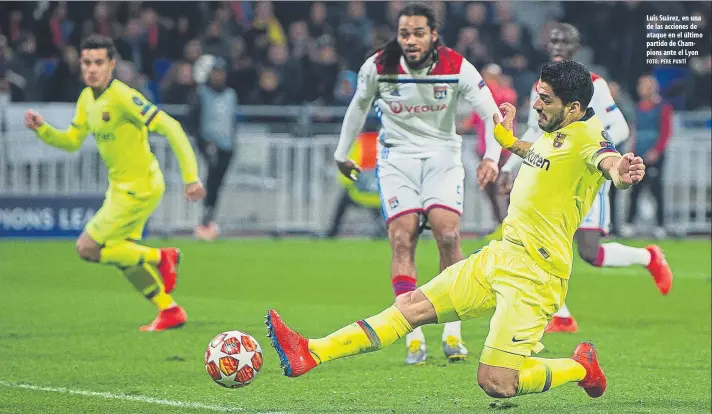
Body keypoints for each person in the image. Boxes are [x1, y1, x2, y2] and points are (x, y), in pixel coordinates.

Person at [266, 60, 648, 401]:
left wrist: (623, 173)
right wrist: (510, 142)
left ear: (574, 108)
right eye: (538, 95)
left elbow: (607, 162)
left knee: (497, 383)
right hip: (502, 255)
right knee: (409, 306)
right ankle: (310, 352)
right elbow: (545, 155)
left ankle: (581, 366)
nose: (536, 105)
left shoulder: (590, 138)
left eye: (545, 100)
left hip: (536, 276)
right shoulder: (560, 131)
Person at [330, 3, 502, 364]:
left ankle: (452, 334)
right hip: (397, 160)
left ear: (433, 35)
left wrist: (491, 158)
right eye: (405, 33)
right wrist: (342, 152)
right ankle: (412, 333)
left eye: (418, 33)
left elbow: (490, 112)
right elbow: (357, 107)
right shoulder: (378, 66)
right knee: (401, 237)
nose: (410, 40)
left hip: (442, 157)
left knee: (449, 235)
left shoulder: (456, 66)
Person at [24, 35, 206, 332]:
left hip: (139, 187)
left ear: (111, 65)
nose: (92, 69)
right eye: (87, 63)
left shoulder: (123, 96)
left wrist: (191, 177)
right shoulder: (86, 98)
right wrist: (43, 129)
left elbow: (171, 126)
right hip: (120, 189)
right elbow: (72, 141)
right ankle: (169, 309)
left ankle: (162, 256)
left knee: (87, 248)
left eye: (98, 63)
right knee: (123, 255)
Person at [498, 23, 672, 333]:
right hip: (552, 178)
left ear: (576, 48)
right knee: (546, 242)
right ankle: (560, 315)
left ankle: (648, 257)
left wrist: (595, 153)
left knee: (590, 252)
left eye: (565, 40)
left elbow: (618, 128)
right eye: (553, 39)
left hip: (587, 178)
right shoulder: (539, 85)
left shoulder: (593, 84)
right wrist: (509, 168)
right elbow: (532, 131)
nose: (558, 44)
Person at [457, 63, 517, 241]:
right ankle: (501, 224)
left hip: (503, 151)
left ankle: (511, 224)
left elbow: (505, 101)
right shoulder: (485, 99)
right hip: (483, 152)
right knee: (489, 190)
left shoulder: (503, 94)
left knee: (502, 189)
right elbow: (472, 120)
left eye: (488, 76)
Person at [191, 58, 238, 241]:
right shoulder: (201, 93)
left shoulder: (231, 94)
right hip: (208, 144)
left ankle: (209, 217)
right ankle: (205, 218)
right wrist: (202, 141)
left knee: (217, 182)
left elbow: (232, 120)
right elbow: (193, 118)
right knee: (209, 181)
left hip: (226, 145)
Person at [621, 74, 672, 239]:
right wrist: (632, 149)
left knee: (656, 189)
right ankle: (629, 224)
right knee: (635, 189)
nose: (641, 89)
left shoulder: (663, 107)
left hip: (654, 154)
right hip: (639, 153)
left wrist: (656, 151)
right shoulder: (638, 107)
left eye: (645, 86)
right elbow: (634, 130)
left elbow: (665, 131)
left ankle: (660, 225)